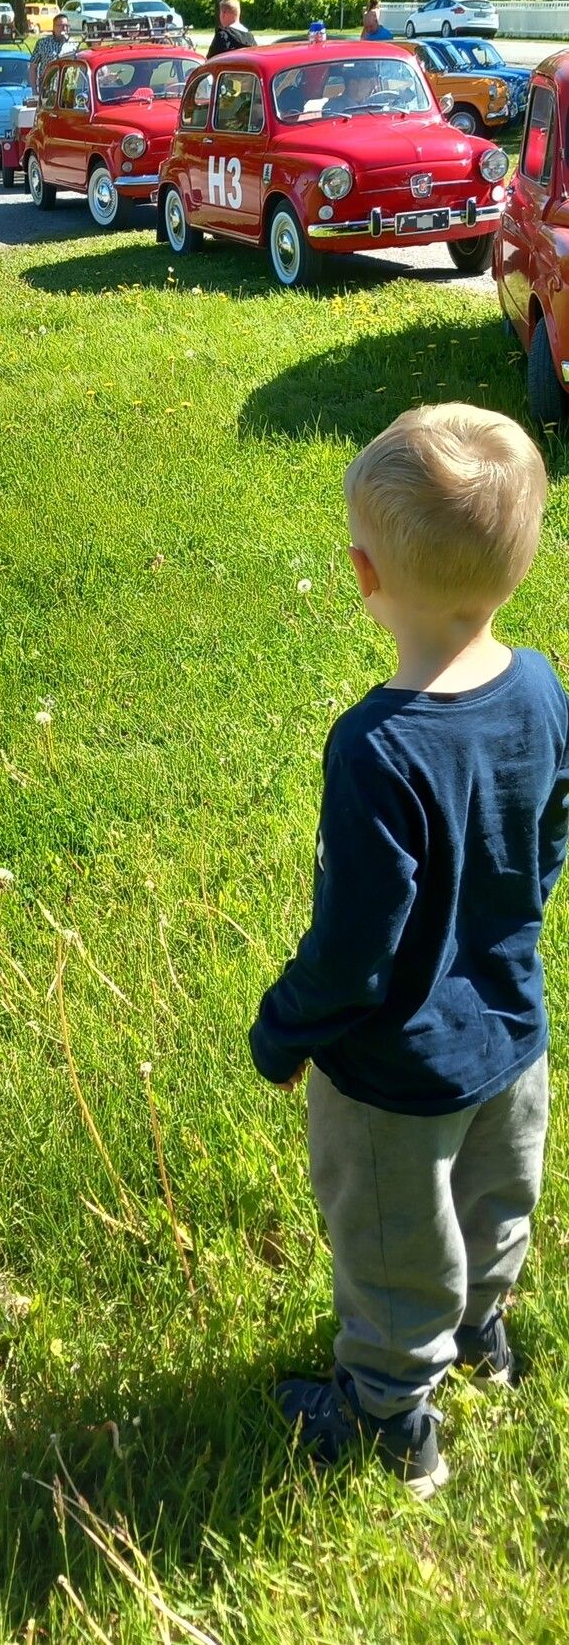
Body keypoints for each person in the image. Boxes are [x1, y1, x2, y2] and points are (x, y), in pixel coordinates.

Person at [249, 405, 569, 1498]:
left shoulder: (377, 746)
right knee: (497, 1195)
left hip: (394, 1072)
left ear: (361, 571)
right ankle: (482, 1332)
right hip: (514, 1031)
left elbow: (357, 945)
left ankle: (390, 1413)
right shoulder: (540, 685)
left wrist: (288, 1021)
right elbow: (554, 822)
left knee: (393, 1236)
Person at [30, 11, 71, 96]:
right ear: (54, 27)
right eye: (60, 25)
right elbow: (33, 67)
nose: (64, 28)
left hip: (67, 90)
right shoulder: (43, 43)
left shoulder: (73, 44)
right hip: (47, 89)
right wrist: (34, 90)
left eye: (66, 26)